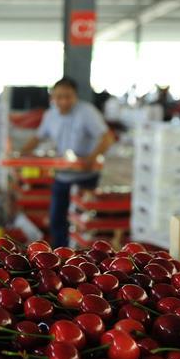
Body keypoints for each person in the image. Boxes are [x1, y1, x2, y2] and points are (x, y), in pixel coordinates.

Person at [20, 77, 114, 249]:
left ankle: (84, 258)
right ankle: (60, 255)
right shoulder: (50, 115)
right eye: (59, 96)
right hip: (62, 176)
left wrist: (91, 158)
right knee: (57, 220)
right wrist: (20, 154)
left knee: (84, 225)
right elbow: (38, 137)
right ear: (52, 98)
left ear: (75, 96)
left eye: (68, 96)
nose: (63, 101)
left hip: (86, 177)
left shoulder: (87, 112)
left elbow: (107, 138)